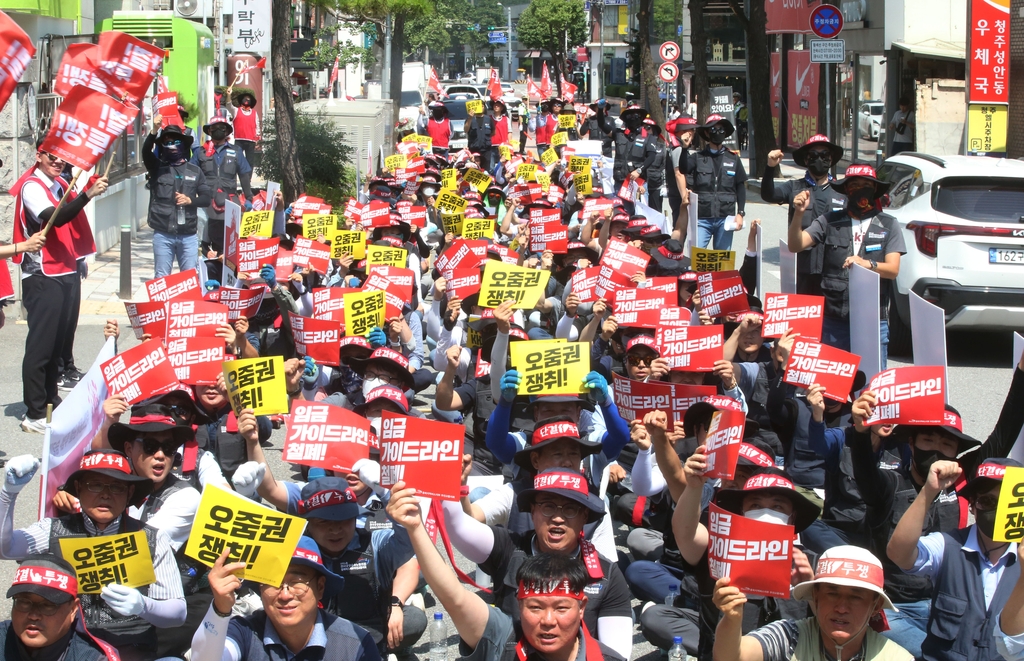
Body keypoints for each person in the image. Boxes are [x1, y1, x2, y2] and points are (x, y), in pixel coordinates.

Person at [847, 355, 1024, 658]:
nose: (938, 450)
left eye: (947, 445)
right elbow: (863, 468)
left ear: (957, 452)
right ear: (912, 443)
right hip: (893, 607)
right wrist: (862, 433)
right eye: (928, 439)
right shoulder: (888, 483)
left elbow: (1004, 431)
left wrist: (1022, 372)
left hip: (946, 603)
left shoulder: (965, 477)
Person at [387, 481, 627, 661]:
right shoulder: (505, 639)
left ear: (582, 607)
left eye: (561, 607)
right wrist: (415, 527)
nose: (548, 621)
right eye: (535, 607)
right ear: (519, 606)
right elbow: (454, 596)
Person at [0, 450, 186, 661]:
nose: (105, 495)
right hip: (69, 650)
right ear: (78, 489)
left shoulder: (152, 538)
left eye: (116, 487)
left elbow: (178, 613)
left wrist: (144, 606)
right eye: (95, 485)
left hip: (132, 649)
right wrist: (9, 493)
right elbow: (4, 548)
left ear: (129, 492)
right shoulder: (53, 530)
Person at [11, 142, 107, 432]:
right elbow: (57, 217)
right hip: (42, 274)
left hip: (65, 269)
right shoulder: (32, 186)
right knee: (41, 346)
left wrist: (79, 257)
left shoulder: (61, 182)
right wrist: (89, 194)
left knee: (58, 344)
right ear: (39, 156)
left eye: (63, 158)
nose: (58, 162)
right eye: (52, 156)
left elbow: (74, 224)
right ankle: (34, 412)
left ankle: (51, 400)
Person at [887, 458, 1022, 661]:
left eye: (1005, 503)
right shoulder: (949, 545)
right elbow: (899, 553)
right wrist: (928, 492)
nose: (997, 511)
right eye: (987, 501)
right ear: (973, 507)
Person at [192, 538, 381, 661]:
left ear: (320, 587)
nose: (285, 595)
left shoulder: (354, 643)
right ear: (260, 588)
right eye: (273, 583)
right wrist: (220, 609)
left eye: (297, 581)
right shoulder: (243, 632)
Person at [712, 545, 913, 661]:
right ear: (815, 597)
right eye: (832, 593)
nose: (841, 608)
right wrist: (732, 618)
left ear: (875, 606)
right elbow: (732, 657)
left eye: (856, 597)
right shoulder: (789, 637)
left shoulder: (896, 657)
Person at [788, 164, 904, 359]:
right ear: (846, 190)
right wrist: (799, 213)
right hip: (834, 320)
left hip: (873, 320)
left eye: (865, 185)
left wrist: (868, 264)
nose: (860, 189)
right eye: (854, 185)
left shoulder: (888, 224)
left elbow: (893, 269)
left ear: (874, 189)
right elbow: (795, 245)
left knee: (870, 384)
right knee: (833, 385)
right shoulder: (829, 220)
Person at [761, 134, 846, 297]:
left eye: (824, 155)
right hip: (802, 268)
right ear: (806, 160)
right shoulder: (794, 187)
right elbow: (768, 194)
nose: (819, 159)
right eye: (813, 155)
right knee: (804, 317)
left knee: (829, 319)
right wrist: (770, 167)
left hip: (833, 271)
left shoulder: (842, 190)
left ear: (831, 159)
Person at [1, 553, 112, 661]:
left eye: (48, 605)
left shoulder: (90, 657)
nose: (34, 616)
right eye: (24, 602)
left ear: (73, 610)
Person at [142, 117, 212, 278]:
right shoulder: (157, 168)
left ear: (183, 144)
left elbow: (206, 198)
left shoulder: (195, 171)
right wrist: (153, 131)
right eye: (166, 143)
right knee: (161, 278)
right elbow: (145, 151)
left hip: (188, 235)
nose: (171, 146)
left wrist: (190, 201)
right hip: (163, 234)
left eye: (175, 142)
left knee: (189, 279)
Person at [190, 113, 255, 264]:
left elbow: (244, 174)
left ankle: (230, 269)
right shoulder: (200, 152)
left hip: (229, 200)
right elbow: (191, 174)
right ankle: (205, 268)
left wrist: (249, 197)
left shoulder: (236, 151)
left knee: (231, 237)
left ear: (227, 131)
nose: (218, 130)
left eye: (221, 128)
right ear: (209, 132)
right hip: (206, 199)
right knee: (204, 236)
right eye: (215, 128)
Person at [684, 114, 746, 251]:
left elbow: (740, 187)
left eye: (721, 129)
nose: (717, 133)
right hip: (702, 218)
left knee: (722, 263)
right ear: (706, 132)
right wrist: (684, 148)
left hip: (725, 218)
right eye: (713, 129)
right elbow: (683, 168)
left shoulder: (733, 159)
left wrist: (740, 213)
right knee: (695, 259)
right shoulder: (697, 157)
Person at [226, 86, 261, 164]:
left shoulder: (255, 113)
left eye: (249, 99)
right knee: (237, 161)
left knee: (250, 162)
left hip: (251, 141)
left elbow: (257, 127)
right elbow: (228, 105)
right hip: (239, 140)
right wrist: (229, 95)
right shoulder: (236, 110)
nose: (247, 100)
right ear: (241, 100)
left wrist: (258, 140)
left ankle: (248, 176)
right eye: (245, 98)